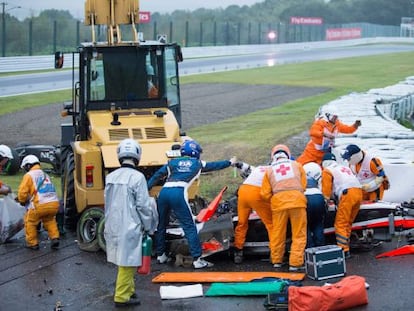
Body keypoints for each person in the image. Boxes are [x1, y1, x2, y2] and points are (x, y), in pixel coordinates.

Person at [147, 139, 237, 269]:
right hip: (178, 193)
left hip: (164, 192)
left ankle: (161, 255)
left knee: (161, 225)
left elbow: (157, 176)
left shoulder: (172, 162)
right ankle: (197, 259)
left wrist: (147, 187)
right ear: (195, 152)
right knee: (189, 226)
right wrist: (229, 162)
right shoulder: (197, 163)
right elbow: (215, 165)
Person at [104, 138, 157, 307]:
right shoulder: (138, 177)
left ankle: (130, 290)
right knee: (128, 262)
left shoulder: (111, 177)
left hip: (112, 224)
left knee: (125, 259)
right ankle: (121, 297)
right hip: (130, 225)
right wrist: (149, 226)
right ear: (137, 156)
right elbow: (143, 205)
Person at [261, 144, 307, 271]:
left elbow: (264, 194)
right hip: (297, 201)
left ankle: (276, 260)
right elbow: (303, 185)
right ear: (287, 154)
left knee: (278, 233)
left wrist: (275, 198)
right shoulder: (297, 165)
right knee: (299, 233)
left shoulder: (269, 170)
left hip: (278, 204)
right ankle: (295, 263)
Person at [320, 153, 362, 259]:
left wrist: (326, 202)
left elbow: (326, 193)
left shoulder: (327, 170)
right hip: (358, 192)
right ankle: (347, 244)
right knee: (348, 222)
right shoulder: (343, 167)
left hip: (347, 195)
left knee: (340, 224)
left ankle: (344, 250)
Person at [16, 155, 60, 250]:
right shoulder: (45, 175)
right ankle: (55, 237)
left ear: (28, 166)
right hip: (54, 204)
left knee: (30, 222)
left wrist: (22, 200)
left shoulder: (29, 175)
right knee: (49, 220)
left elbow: (22, 192)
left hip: (39, 205)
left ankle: (33, 244)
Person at [232, 162, 273, 264]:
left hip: (243, 191)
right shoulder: (274, 170)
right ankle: (275, 253)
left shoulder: (259, 167)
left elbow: (246, 166)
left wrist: (238, 164)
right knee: (271, 224)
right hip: (256, 193)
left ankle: (238, 251)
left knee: (242, 223)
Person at [297, 106, 361, 165]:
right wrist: (324, 134)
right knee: (299, 165)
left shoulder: (337, 124)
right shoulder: (320, 122)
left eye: (336, 117)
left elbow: (347, 129)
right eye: (334, 116)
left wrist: (355, 126)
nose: (336, 118)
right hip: (313, 151)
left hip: (325, 153)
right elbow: (313, 132)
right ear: (328, 115)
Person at [303, 162, 326, 248]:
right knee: (318, 223)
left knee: (305, 225)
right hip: (318, 196)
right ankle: (321, 248)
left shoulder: (299, 176)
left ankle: (310, 249)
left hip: (305, 198)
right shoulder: (318, 175)